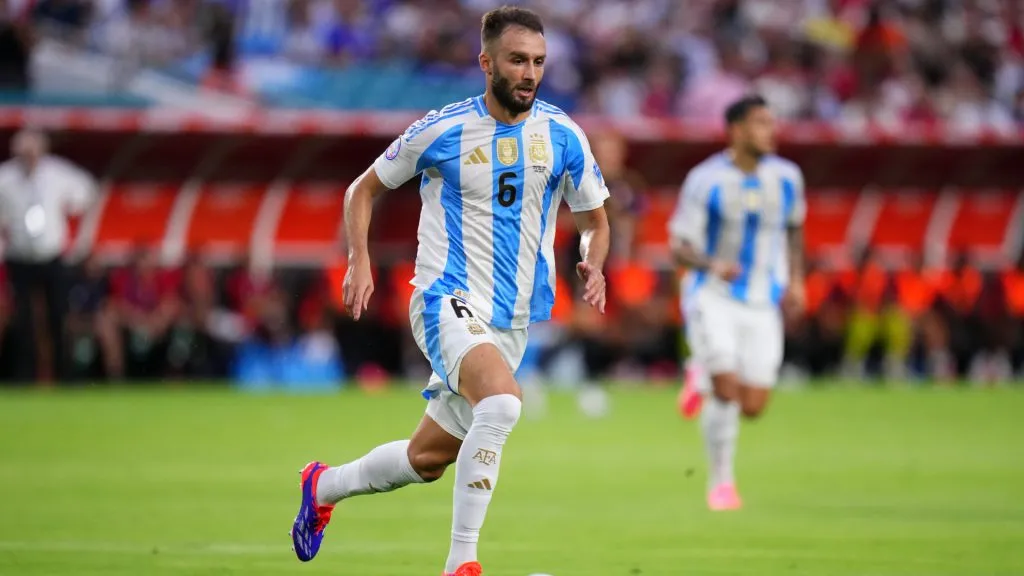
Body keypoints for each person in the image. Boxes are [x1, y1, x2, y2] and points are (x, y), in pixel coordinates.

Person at [290, 7, 610, 576]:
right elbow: (362, 191)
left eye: (538, 61)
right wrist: (358, 260)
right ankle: (462, 562)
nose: (529, 73)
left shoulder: (563, 134)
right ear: (486, 63)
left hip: (513, 318)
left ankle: (324, 487)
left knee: (428, 459)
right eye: (517, 60)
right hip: (446, 296)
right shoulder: (441, 130)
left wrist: (593, 262)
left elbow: (595, 219)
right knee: (505, 402)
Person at [668, 95, 806, 511]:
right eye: (761, 123)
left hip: (764, 301)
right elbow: (679, 247)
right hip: (713, 295)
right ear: (737, 130)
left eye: (772, 122)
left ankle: (699, 374)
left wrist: (797, 281)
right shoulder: (705, 179)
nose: (771, 130)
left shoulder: (787, 177)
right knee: (726, 392)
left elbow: (795, 229)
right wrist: (712, 264)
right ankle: (722, 483)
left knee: (753, 406)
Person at [0, 128, 96, 383]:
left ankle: (64, 374)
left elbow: (86, 192)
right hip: (19, 256)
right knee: (23, 319)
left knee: (58, 316)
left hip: (52, 256)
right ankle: (25, 375)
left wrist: (69, 215)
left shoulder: (58, 173)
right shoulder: (5, 178)